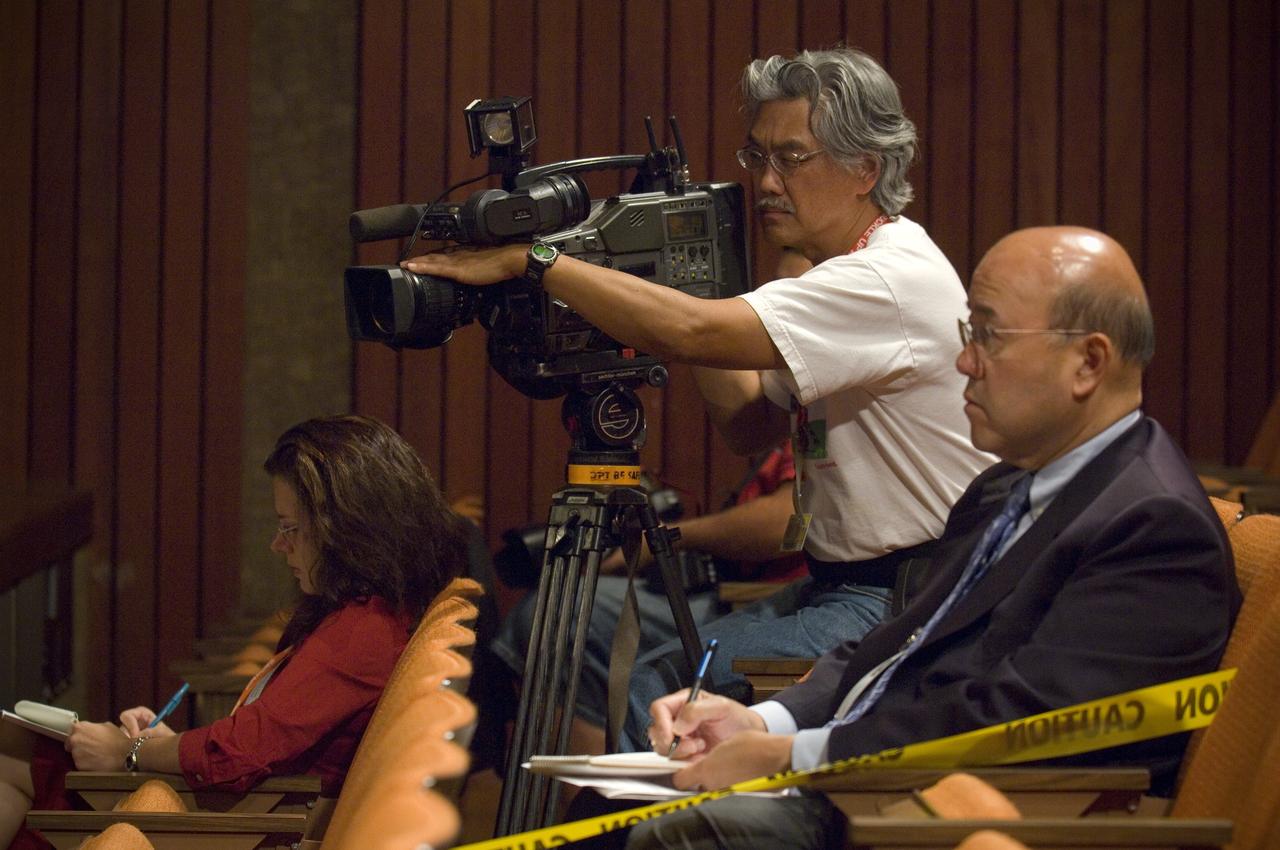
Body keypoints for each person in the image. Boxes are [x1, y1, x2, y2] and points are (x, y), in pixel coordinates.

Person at [404, 47, 993, 751]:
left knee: (664, 679)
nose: (768, 183)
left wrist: (539, 262)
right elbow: (749, 423)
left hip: (905, 598)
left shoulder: (884, 278)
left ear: (866, 168)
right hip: (849, 582)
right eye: (758, 157)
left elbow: (693, 331)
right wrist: (694, 278)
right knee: (634, 657)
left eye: (793, 159)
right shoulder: (844, 272)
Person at [627, 226, 1240, 848]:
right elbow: (902, 648)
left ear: (1089, 362)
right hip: (888, 786)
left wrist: (790, 754)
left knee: (666, 831)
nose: (965, 361)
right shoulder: (1003, 486)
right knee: (622, 806)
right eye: (967, 334)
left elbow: (1017, 728)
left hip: (967, 817)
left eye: (989, 337)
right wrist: (761, 719)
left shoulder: (1154, 527)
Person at [0, 415, 469, 848]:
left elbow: (238, 754)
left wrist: (132, 750)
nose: (277, 544)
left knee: (14, 763)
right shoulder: (369, 614)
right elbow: (260, 738)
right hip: (252, 808)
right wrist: (161, 745)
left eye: (290, 528)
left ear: (347, 529)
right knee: (17, 756)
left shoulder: (361, 631)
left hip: (251, 826)